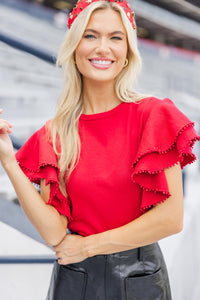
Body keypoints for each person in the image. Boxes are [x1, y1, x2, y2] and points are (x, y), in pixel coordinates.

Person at [0, 0, 199, 299]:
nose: (103, 48)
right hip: (74, 282)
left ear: (128, 53)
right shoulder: (54, 133)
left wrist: (88, 246)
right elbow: (54, 233)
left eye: (115, 37)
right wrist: (7, 159)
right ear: (74, 47)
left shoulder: (153, 115)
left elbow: (170, 218)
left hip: (141, 279)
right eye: (90, 36)